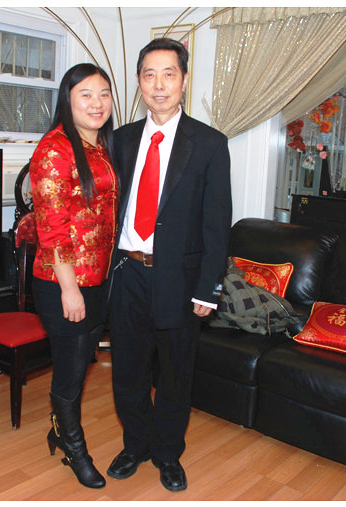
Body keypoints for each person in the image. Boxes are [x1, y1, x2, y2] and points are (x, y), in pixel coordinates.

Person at [107, 38, 232, 492]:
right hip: (126, 273)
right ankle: (135, 444)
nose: (159, 85)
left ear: (183, 80)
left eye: (168, 74)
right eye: (149, 75)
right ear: (139, 82)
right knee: (128, 372)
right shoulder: (118, 140)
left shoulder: (210, 143)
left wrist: (209, 287)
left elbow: (217, 222)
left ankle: (167, 453)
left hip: (179, 279)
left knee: (176, 375)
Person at [29, 63, 118, 489]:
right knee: (71, 367)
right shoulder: (54, 148)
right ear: (68, 99)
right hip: (62, 281)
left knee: (81, 362)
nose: (97, 103)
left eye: (104, 94)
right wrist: (69, 288)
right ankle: (73, 446)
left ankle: (58, 428)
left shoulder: (100, 146)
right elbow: (52, 227)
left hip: (98, 276)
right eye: (86, 94)